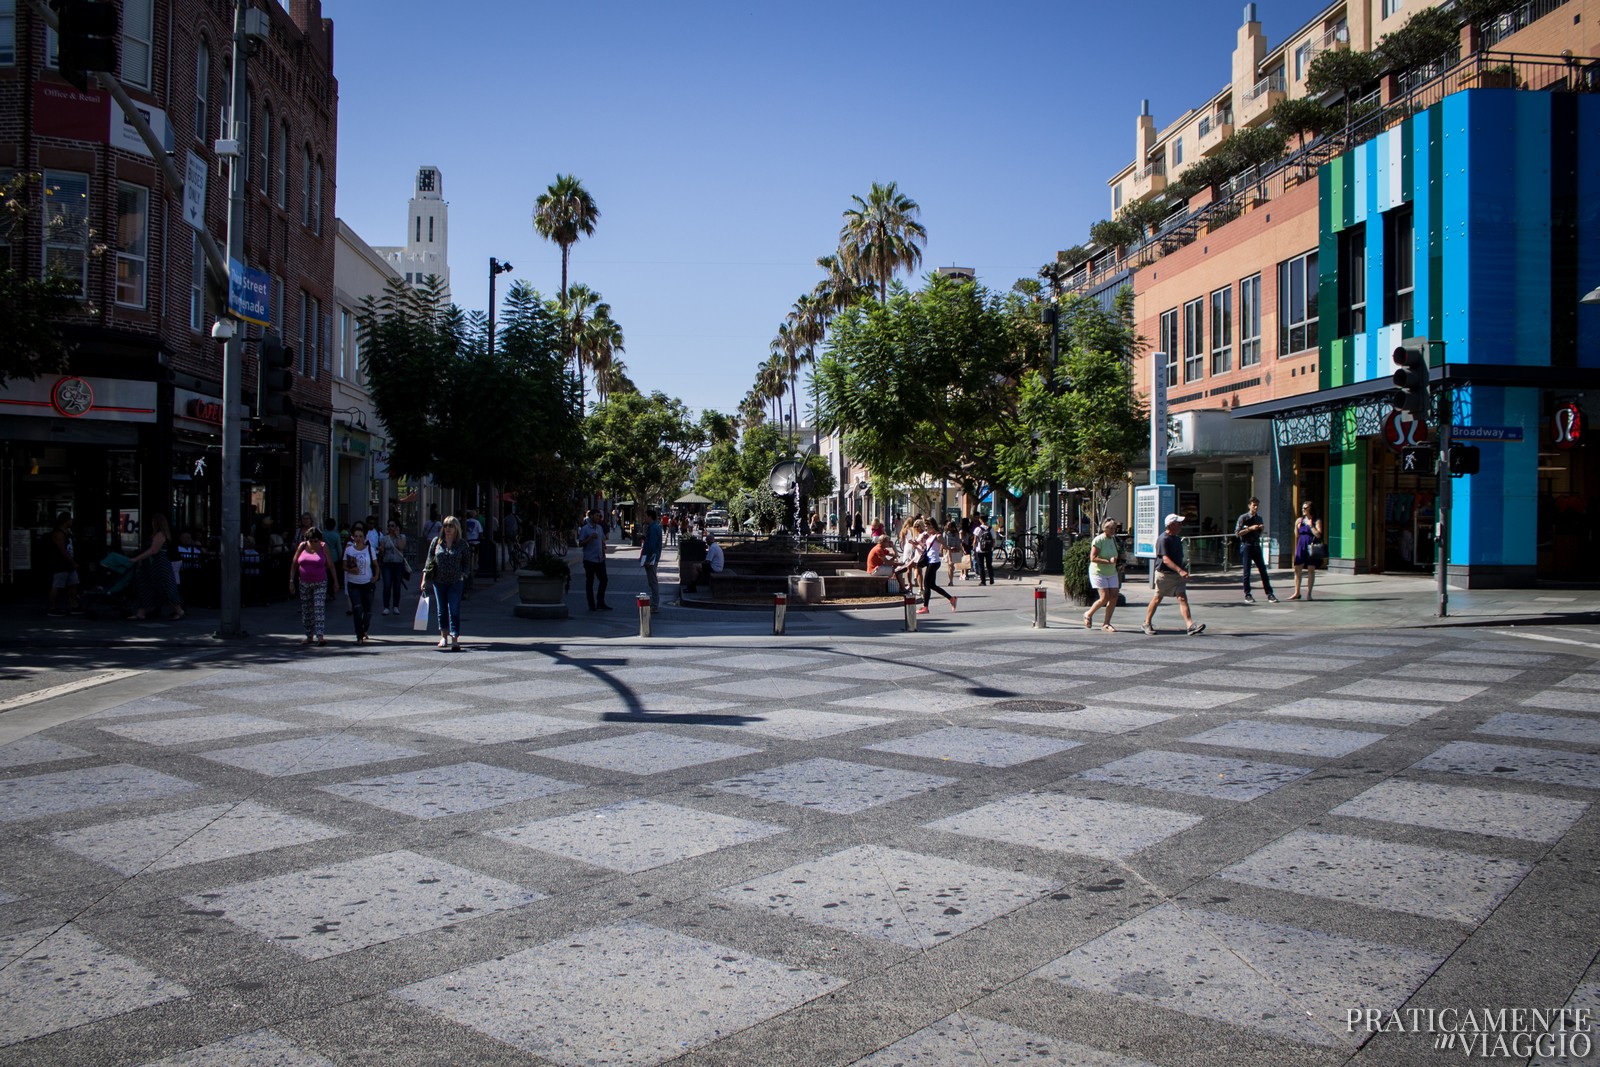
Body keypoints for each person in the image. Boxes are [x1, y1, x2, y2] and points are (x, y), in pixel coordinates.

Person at [1143, 513, 1204, 636]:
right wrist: (1180, 570)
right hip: (1164, 574)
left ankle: (1190, 625)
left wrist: (1182, 569)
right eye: (1178, 523)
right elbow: (1165, 559)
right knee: (1157, 598)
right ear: (1170, 525)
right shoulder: (1163, 539)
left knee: (1182, 597)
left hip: (1176, 574)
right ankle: (1146, 622)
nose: (1181, 525)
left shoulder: (1176, 539)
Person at [421, 515, 469, 650]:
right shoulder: (437, 542)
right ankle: (443, 636)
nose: (447, 528)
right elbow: (429, 561)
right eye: (445, 525)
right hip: (439, 581)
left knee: (453, 609)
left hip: (455, 581)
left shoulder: (462, 544)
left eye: (451, 526)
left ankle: (455, 638)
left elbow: (467, 563)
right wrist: (424, 579)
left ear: (456, 528)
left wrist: (463, 575)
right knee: (441, 610)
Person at [289, 526, 338, 647]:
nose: (313, 543)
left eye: (316, 540)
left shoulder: (323, 547)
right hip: (304, 582)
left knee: (319, 607)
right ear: (307, 540)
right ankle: (309, 635)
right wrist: (291, 581)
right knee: (307, 610)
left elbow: (330, 565)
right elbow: (294, 564)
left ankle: (320, 635)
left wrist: (336, 581)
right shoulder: (302, 546)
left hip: (320, 582)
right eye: (311, 541)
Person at [129, 514, 183, 621]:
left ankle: (179, 610)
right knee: (145, 586)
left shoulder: (160, 534)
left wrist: (137, 558)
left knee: (165, 587)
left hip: (159, 565)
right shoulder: (156, 535)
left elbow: (153, 550)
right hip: (151, 565)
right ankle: (141, 612)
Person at [1235, 497, 1278, 604]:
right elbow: (1237, 533)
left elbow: (1258, 533)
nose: (1256, 507)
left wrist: (1260, 529)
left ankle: (1269, 594)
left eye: (1257, 505)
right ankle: (1247, 594)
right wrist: (1249, 528)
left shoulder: (1259, 518)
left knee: (1263, 570)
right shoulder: (1243, 518)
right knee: (1247, 572)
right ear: (1249, 505)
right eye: (1254, 505)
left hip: (1256, 545)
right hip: (1246, 546)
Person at [1083, 519, 1122, 631]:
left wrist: (1118, 562)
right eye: (1110, 528)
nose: (1112, 530)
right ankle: (1088, 614)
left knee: (1114, 596)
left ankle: (1106, 623)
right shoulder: (1099, 540)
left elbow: (1115, 556)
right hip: (1098, 572)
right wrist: (1108, 561)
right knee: (1104, 598)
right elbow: (1093, 558)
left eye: (1114, 528)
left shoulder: (1113, 540)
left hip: (1111, 572)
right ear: (1104, 528)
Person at [343, 521, 378, 643]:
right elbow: (344, 566)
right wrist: (351, 570)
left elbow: (375, 565)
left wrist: (375, 576)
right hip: (354, 584)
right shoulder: (349, 550)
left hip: (367, 583)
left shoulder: (370, 549)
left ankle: (364, 629)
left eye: (360, 536)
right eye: (356, 536)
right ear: (353, 537)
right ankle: (359, 635)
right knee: (357, 609)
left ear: (364, 537)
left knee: (367, 611)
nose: (358, 538)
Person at [45, 511, 82, 616]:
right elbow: (62, 550)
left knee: (74, 583)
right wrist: (72, 562)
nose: (72, 521)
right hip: (61, 564)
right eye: (70, 519)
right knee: (57, 585)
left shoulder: (68, 533)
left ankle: (74, 605)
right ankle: (53, 607)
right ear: (65, 521)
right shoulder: (59, 534)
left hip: (69, 564)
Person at [917, 520, 957, 614]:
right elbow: (927, 547)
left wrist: (950, 555)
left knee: (926, 584)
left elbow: (945, 546)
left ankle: (925, 607)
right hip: (930, 561)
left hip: (934, 562)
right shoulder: (929, 536)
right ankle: (951, 599)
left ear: (932, 526)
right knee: (931, 585)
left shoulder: (938, 536)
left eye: (927, 526)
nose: (926, 528)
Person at [578, 508, 610, 611]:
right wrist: (590, 538)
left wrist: (603, 547)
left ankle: (600, 602)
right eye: (596, 515)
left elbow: (602, 540)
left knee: (604, 580)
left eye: (599, 516)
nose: (598, 517)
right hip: (589, 560)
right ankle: (591, 604)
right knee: (590, 582)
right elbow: (580, 543)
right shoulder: (585, 529)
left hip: (600, 559)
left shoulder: (599, 528)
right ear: (591, 516)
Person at [1290, 501, 1323, 601]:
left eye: (1306, 508)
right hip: (1301, 544)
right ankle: (1297, 592)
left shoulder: (1316, 520)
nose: (1303, 510)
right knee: (1297, 568)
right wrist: (1296, 525)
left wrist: (1311, 525)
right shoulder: (1300, 519)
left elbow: (1318, 534)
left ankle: (1309, 594)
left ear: (1310, 509)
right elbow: (1297, 535)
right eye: (1303, 508)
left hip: (1311, 546)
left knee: (1311, 569)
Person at [378, 520, 408, 616]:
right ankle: (386, 607)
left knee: (397, 586)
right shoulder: (384, 538)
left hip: (398, 564)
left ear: (397, 527)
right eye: (389, 526)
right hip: (387, 564)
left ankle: (396, 606)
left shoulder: (402, 537)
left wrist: (397, 535)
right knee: (387, 585)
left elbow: (401, 547)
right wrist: (381, 550)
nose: (390, 528)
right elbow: (382, 550)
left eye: (392, 526)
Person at [640, 507, 663, 610]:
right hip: (651, 557)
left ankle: (655, 604)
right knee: (652, 581)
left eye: (645, 516)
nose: (643, 518)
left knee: (652, 581)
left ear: (650, 517)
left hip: (651, 558)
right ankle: (655, 603)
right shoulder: (653, 527)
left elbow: (652, 545)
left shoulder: (653, 528)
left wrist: (649, 560)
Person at [971, 514, 995, 586]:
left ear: (980, 520)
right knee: (989, 565)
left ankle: (983, 581)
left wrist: (974, 548)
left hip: (979, 549)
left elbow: (975, 540)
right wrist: (992, 547)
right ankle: (991, 579)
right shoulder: (991, 529)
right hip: (988, 549)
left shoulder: (978, 529)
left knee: (981, 565)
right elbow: (993, 540)